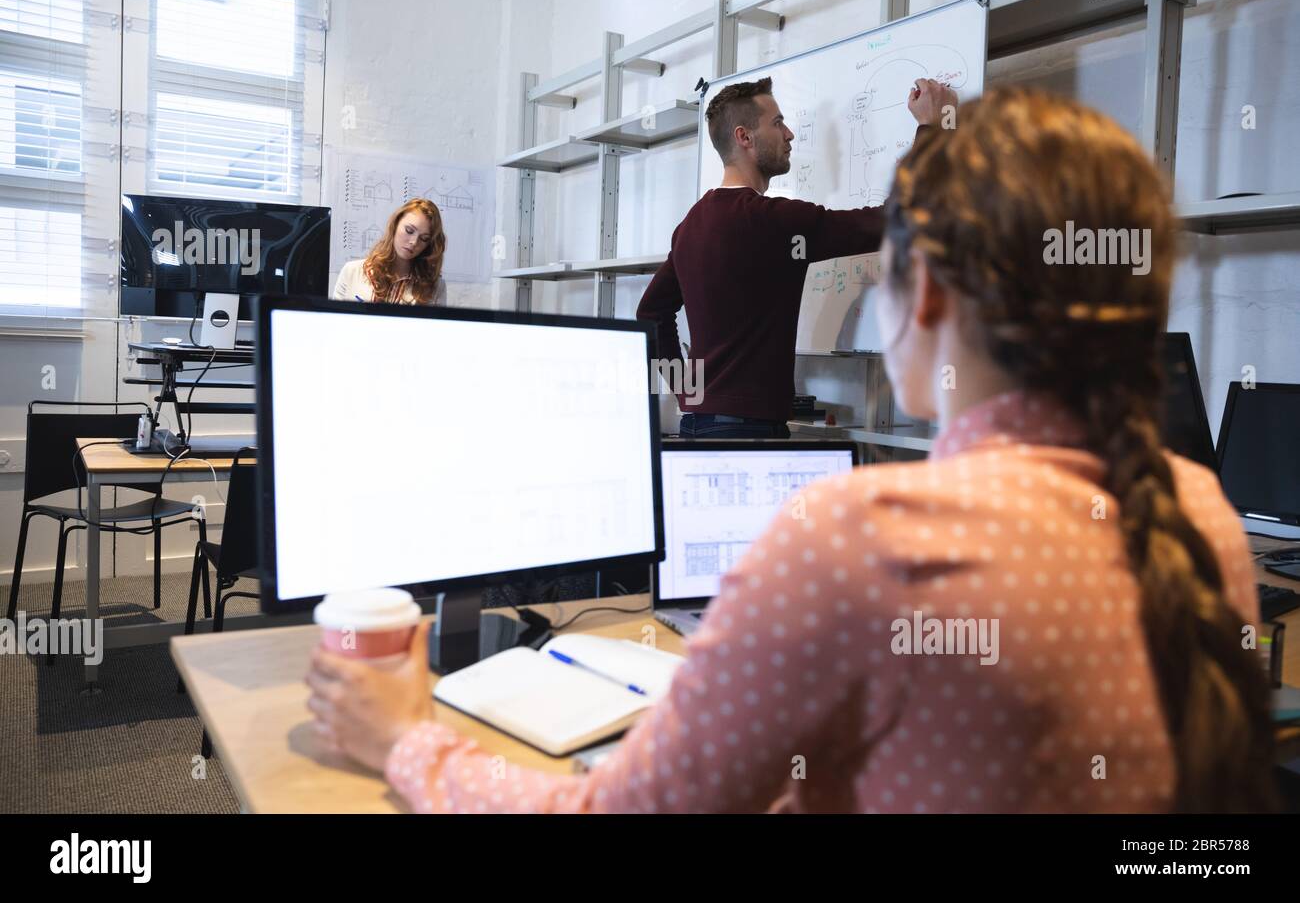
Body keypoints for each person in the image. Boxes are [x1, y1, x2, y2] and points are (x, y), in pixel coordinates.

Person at [305, 87, 1275, 813]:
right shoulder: (1201, 516)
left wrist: (404, 739)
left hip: (710, 417)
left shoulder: (855, 540)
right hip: (758, 419)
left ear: (924, 295)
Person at [635, 76, 956, 438]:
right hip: (746, 435)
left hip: (697, 426)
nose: (789, 134)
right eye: (777, 123)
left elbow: (650, 313)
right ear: (744, 137)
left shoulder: (692, 224)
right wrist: (933, 126)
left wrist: (687, 392)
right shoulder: (770, 221)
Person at [333, 198, 448, 305]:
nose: (414, 242)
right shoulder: (352, 271)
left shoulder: (436, 287)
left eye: (424, 238)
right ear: (395, 225)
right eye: (409, 230)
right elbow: (336, 322)